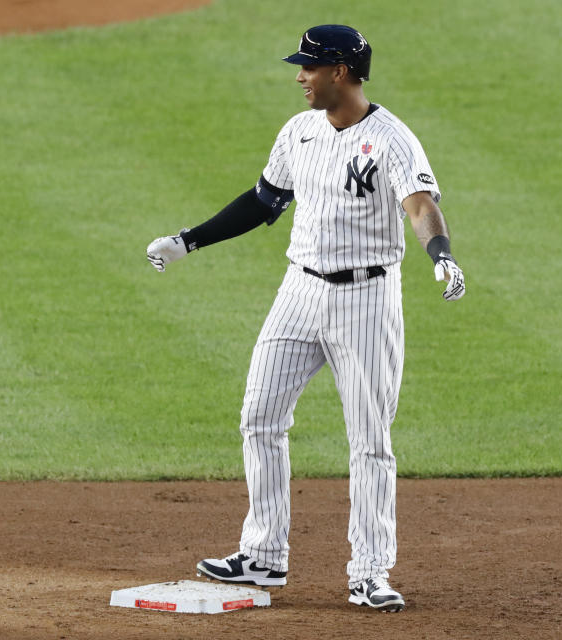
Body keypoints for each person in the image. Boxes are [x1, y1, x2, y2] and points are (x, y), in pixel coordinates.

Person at [146, 24, 465, 612]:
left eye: (309, 68)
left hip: (366, 300)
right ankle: (264, 555)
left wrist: (440, 255)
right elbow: (264, 201)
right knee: (259, 415)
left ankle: (370, 572)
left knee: (370, 442)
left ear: (340, 72)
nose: (299, 76)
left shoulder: (392, 141)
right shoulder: (299, 132)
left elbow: (420, 205)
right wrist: (187, 241)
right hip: (299, 291)